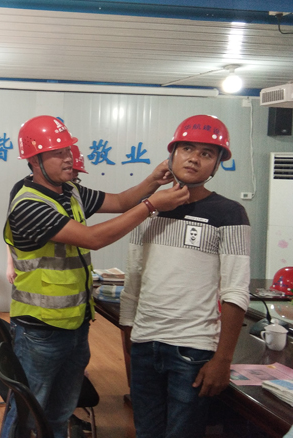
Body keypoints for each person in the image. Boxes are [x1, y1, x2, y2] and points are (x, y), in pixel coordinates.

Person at [2, 115, 189, 438]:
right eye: (58, 153)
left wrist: (152, 181)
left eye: (68, 150)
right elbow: (93, 238)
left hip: (75, 324)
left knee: (60, 413)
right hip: (40, 330)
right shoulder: (29, 204)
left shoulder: (70, 191)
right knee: (26, 415)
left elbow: (119, 202)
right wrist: (151, 206)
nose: (68, 158)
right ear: (34, 161)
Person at [119, 115, 250, 438]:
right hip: (145, 342)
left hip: (192, 349)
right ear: (172, 154)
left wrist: (223, 359)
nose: (194, 158)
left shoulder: (230, 213)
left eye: (207, 153)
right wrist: (129, 335)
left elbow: (235, 290)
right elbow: (133, 276)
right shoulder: (148, 209)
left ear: (217, 164)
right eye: (187, 149)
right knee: (146, 432)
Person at [6, 143, 87, 284]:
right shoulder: (25, 196)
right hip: (40, 280)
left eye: (75, 178)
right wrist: (10, 264)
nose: (71, 181)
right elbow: (13, 234)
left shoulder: (71, 192)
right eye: (70, 174)